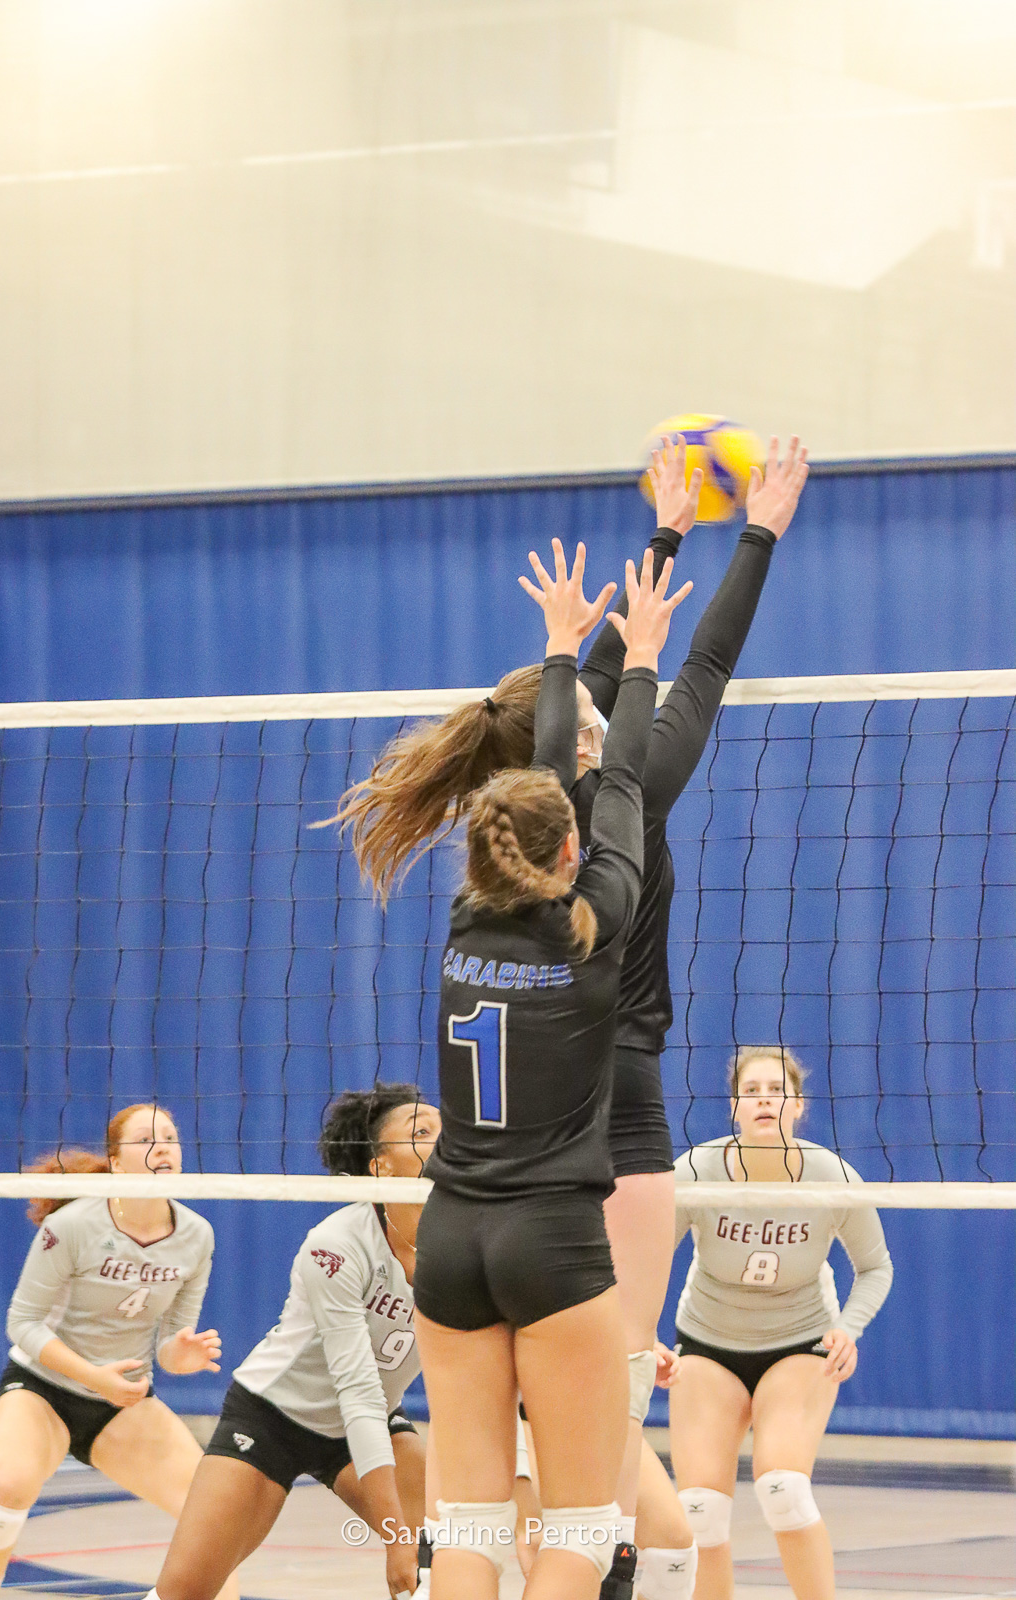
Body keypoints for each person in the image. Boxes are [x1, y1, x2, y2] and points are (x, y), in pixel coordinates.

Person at [333, 434, 811, 1599]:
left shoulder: (482, 883)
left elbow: (571, 707)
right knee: (595, 1486)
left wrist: (658, 536)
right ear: (573, 776)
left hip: (473, 1207)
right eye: (592, 723)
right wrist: (754, 533)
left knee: (498, 1495)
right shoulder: (622, 819)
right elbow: (692, 676)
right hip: (613, 1135)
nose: (598, 723)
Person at [413, 536, 692, 1600]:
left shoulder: (460, 920)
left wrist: (565, 647)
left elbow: (556, 774)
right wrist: (635, 653)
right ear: (572, 849)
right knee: (581, 1524)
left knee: (470, 1523)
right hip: (551, 1239)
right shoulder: (598, 928)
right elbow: (611, 770)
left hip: (449, 1238)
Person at [146, 1083, 440, 1600]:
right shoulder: (337, 1245)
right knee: (184, 1592)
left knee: (443, 1559)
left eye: (445, 1129)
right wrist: (396, 1539)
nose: (444, 1141)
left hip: (370, 1424)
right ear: (380, 1167)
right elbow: (357, 1391)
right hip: (275, 1416)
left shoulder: (466, 1242)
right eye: (421, 1134)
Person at [0, 1104, 233, 1600]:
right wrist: (94, 1374)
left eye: (171, 1138)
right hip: (43, 1390)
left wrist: (182, 1354)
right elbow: (20, 1324)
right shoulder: (72, 1226)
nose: (163, 1149)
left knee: (215, 1522)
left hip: (123, 1402)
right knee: (9, 1490)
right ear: (115, 1160)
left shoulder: (196, 1235)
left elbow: (173, 1345)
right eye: (147, 1140)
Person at [663, 1047, 893, 1600]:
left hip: (800, 1343)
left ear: (798, 1107)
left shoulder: (831, 1175)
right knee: (700, 1513)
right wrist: (640, 1337)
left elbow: (875, 1268)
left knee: (783, 1489)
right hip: (707, 1343)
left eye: (778, 1090)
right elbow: (641, 1263)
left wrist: (850, 1328)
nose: (765, 1098)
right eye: (753, 1090)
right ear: (735, 1108)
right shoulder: (697, 1170)